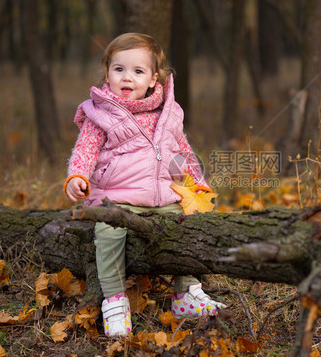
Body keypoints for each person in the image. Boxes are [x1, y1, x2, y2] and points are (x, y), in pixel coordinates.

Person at [64, 33, 226, 338]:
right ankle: (114, 299)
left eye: (138, 71)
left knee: (188, 224)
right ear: (107, 73)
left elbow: (181, 153)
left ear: (153, 79)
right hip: (117, 197)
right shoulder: (99, 113)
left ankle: (187, 292)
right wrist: (78, 177)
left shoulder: (168, 113)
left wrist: (195, 184)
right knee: (108, 231)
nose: (127, 78)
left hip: (163, 195)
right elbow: (85, 150)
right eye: (119, 69)